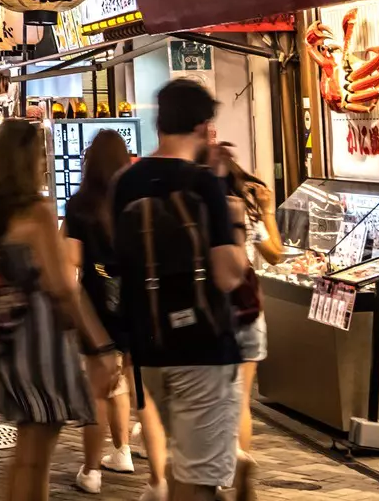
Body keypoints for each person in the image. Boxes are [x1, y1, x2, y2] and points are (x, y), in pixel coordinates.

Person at [112, 80, 250, 501]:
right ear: (203, 125)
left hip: (149, 347)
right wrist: (236, 218)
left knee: (181, 458)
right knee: (199, 479)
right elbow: (228, 276)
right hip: (203, 347)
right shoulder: (204, 184)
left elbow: (119, 265)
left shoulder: (126, 181)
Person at [0, 119, 117, 501]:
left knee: (26, 454)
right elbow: (63, 287)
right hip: (38, 346)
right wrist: (99, 345)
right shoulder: (36, 212)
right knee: (37, 456)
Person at [67, 127, 167, 498]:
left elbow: (71, 263)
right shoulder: (137, 199)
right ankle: (150, 472)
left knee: (97, 390)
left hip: (98, 306)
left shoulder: (80, 205)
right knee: (139, 391)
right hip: (138, 303)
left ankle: (92, 471)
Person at [215, 141, 282, 467]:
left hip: (212, 312)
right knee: (241, 401)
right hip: (247, 309)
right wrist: (267, 211)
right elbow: (275, 254)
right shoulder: (246, 215)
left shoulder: (200, 212)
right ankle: (238, 469)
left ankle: (216, 471)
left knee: (212, 400)